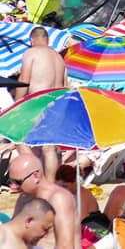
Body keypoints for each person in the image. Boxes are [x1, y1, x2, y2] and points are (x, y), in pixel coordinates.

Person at [16, 26, 65, 179]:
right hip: (56, 103)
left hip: (36, 102)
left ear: (31, 40)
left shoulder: (31, 53)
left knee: (18, 139)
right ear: (48, 40)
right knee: (49, 147)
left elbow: (24, 80)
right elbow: (65, 85)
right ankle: (50, 184)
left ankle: (38, 178)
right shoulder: (59, 57)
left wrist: (17, 104)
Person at [9, 153, 76, 249]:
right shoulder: (24, 198)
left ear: (36, 176)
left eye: (18, 182)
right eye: (11, 181)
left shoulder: (59, 199)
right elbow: (12, 233)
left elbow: (65, 246)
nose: (13, 187)